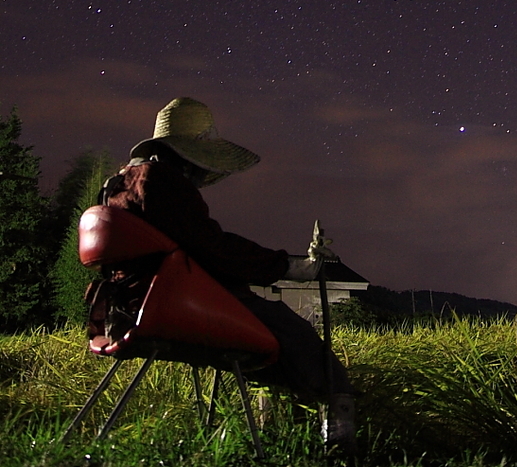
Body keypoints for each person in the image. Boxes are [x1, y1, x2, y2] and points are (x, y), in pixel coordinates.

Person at [98, 96, 355, 454]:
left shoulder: (118, 185)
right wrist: (289, 268)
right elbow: (213, 248)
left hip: (132, 303)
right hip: (178, 303)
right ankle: (339, 440)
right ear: (185, 156)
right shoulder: (163, 182)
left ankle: (291, 428)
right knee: (294, 336)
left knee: (279, 340)